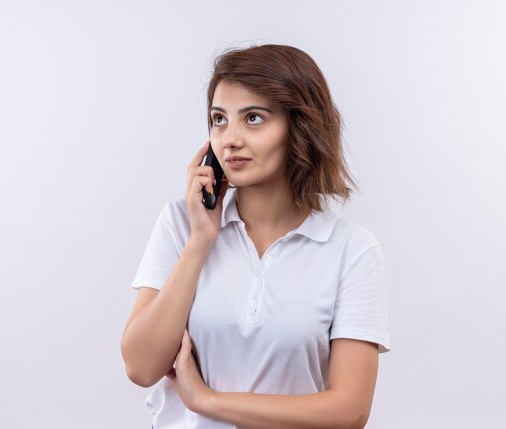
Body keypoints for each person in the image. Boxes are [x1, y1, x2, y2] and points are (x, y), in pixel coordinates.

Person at [121, 44, 390, 429]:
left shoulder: (352, 250)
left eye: (253, 118)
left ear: (301, 127)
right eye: (219, 119)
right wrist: (200, 242)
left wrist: (206, 400)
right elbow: (141, 366)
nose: (229, 138)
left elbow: (348, 412)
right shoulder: (181, 224)